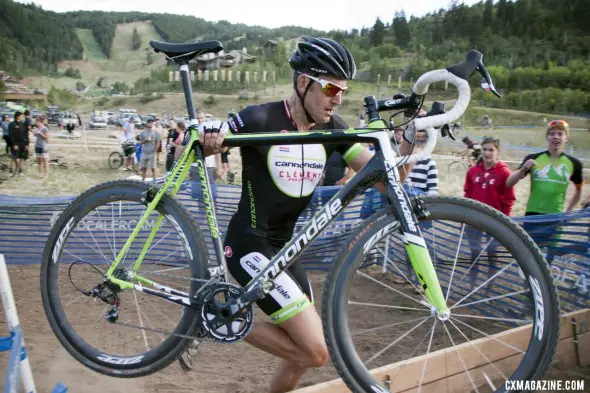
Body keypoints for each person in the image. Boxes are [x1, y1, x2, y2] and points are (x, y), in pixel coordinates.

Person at [177, 36, 416, 392]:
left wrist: (412, 134)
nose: (339, 98)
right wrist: (209, 136)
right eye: (332, 88)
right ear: (304, 83)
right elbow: (196, 142)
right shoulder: (261, 117)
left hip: (286, 251)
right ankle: (209, 317)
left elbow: (389, 179)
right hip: (248, 244)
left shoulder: (333, 128)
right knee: (317, 352)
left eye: (344, 91)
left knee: (301, 355)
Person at [506, 120, 584, 263]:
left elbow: (579, 190)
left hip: (556, 218)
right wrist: (524, 168)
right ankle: (528, 285)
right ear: (547, 137)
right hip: (533, 217)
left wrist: (568, 212)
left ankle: (544, 286)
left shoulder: (574, 164)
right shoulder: (533, 158)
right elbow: (509, 182)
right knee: (530, 259)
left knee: (548, 260)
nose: (556, 137)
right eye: (552, 134)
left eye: (560, 134)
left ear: (566, 138)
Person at [464, 136, 515, 291]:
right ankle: (472, 285)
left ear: (497, 152)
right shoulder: (473, 171)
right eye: (485, 149)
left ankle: (489, 287)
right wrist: (466, 217)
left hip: (494, 221)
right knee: (474, 252)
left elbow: (508, 198)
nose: (487, 153)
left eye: (491, 150)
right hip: (474, 220)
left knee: (492, 254)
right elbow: (468, 195)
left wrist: (503, 220)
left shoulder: (504, 172)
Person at [8, 111, 28, 176]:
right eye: (21, 116)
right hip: (15, 143)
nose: (22, 117)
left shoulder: (23, 124)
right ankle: (10, 171)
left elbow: (25, 135)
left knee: (22, 158)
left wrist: (26, 144)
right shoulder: (11, 124)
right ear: (18, 116)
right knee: (14, 157)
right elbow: (10, 135)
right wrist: (14, 144)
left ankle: (20, 171)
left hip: (22, 143)